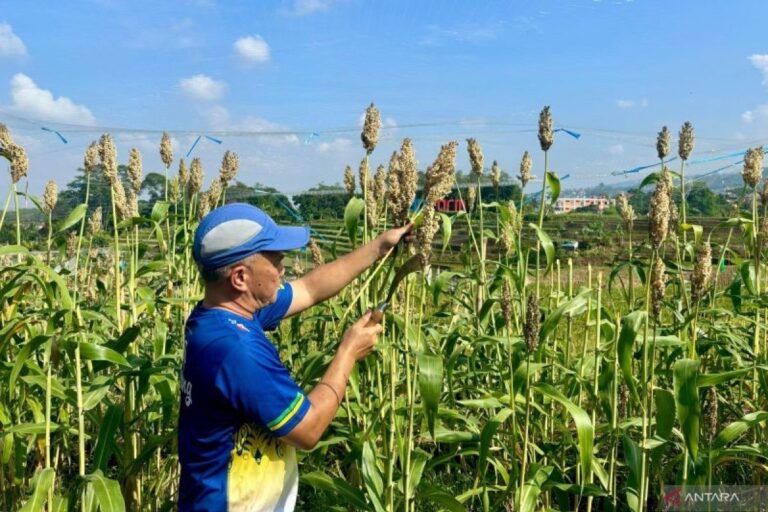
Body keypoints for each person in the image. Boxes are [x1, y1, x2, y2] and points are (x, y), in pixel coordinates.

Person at [178, 203, 413, 511]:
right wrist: (348, 352)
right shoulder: (235, 350)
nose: (283, 269)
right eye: (275, 262)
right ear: (240, 278)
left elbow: (310, 288)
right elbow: (309, 429)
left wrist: (380, 245)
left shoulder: (219, 316)